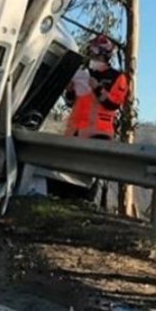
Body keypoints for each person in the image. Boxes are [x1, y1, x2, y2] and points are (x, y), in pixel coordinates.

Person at [58, 34, 129, 200]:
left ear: (105, 54)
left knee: (87, 178)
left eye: (95, 53)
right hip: (75, 130)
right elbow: (70, 102)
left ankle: (85, 200)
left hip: (98, 132)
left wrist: (98, 88)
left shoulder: (117, 77)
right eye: (91, 52)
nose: (92, 56)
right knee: (66, 175)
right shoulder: (83, 73)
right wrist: (69, 90)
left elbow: (114, 104)